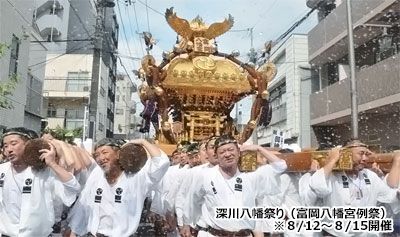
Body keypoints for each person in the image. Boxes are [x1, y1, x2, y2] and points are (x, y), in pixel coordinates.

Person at [186, 134, 287, 237]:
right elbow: (193, 201)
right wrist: (188, 223)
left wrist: (258, 148)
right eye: (222, 152)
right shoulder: (205, 176)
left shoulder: (249, 177)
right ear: (216, 156)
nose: (227, 154)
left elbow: (280, 166)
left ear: (239, 152)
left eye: (231, 150)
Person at [68, 138, 170, 237]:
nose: (101, 158)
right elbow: (84, 202)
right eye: (97, 155)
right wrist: (74, 230)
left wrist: (143, 142)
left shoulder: (136, 177)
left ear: (118, 154)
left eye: (104, 152)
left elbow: (161, 163)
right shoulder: (97, 174)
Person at [304, 140, 400, 237]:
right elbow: (318, 188)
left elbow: (389, 196)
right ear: (346, 154)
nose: (365, 158)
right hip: (336, 233)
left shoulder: (370, 176)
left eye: (367, 154)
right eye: (361, 154)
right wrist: (333, 160)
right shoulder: (332, 175)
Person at [0, 127, 81, 236]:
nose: (9, 149)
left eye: (13, 144)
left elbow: (73, 188)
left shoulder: (44, 172)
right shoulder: (2, 170)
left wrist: (52, 164)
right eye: (5, 146)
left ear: (29, 145)